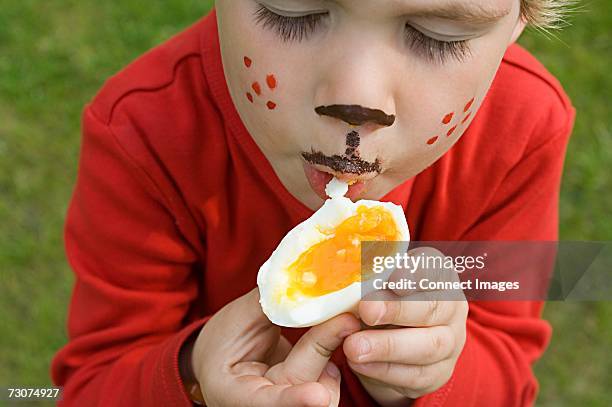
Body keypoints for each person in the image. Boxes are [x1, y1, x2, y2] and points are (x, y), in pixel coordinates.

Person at [51, 0, 575, 405]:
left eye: (439, 36)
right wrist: (191, 372)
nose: (358, 100)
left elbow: (510, 367)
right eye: (292, 11)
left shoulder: (525, 131)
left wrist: (427, 375)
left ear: (517, 25)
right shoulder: (143, 134)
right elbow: (89, 387)